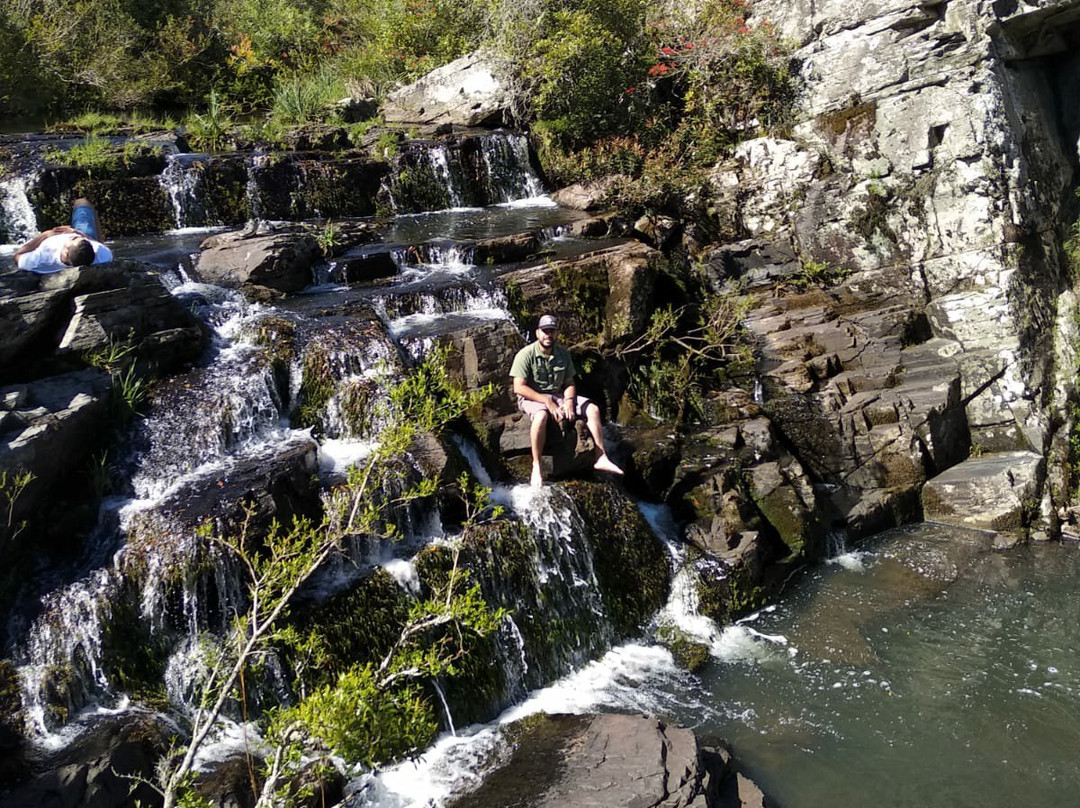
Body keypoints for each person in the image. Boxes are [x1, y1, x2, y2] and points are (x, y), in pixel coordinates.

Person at [510, 313, 624, 487]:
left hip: (559, 396)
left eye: (552, 331)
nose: (548, 335)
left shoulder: (563, 354)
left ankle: (601, 456)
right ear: (537, 333)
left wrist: (569, 400)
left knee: (592, 409)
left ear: (556, 333)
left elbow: (570, 383)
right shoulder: (525, 355)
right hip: (532, 397)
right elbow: (519, 388)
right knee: (541, 417)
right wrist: (547, 402)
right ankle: (536, 465)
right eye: (545, 331)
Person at [14, 197, 113, 273]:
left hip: (48, 237)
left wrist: (45, 235)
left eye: (73, 238)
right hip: (81, 231)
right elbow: (100, 244)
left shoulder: (41, 259)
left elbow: (17, 256)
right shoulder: (100, 254)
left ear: (65, 253)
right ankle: (92, 211)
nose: (73, 236)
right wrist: (80, 233)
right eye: (81, 239)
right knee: (82, 202)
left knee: (81, 202)